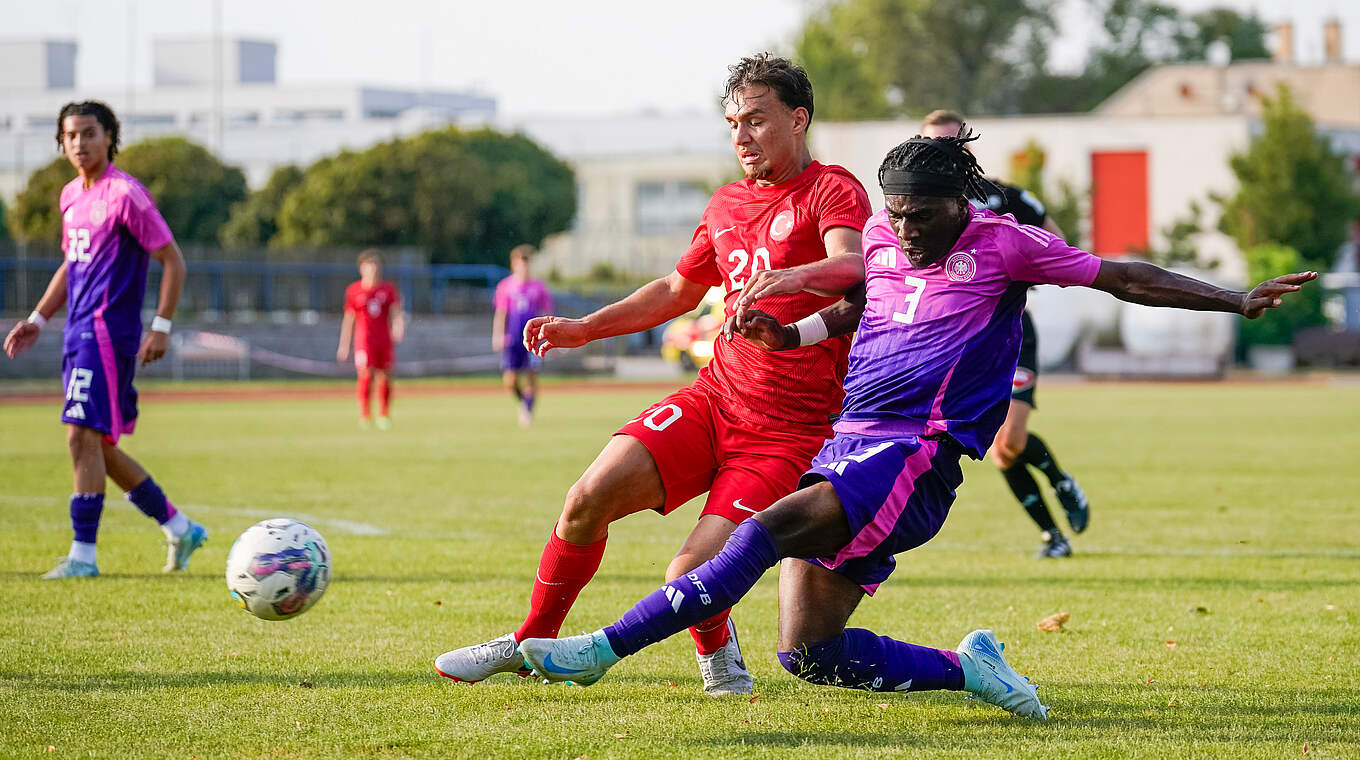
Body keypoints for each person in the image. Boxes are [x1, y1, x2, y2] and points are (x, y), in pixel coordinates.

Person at [517, 129, 1316, 719]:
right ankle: (972, 669)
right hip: (850, 439)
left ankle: (599, 651)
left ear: (956, 203)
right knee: (811, 655)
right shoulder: (878, 236)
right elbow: (861, 305)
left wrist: (1232, 297)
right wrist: (789, 334)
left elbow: (1123, 278)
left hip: (915, 456)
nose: (903, 228)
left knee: (756, 535)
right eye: (895, 213)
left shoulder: (1005, 244)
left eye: (920, 214)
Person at [434, 53, 873, 697]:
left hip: (787, 433)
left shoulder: (833, 188)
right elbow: (676, 289)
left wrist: (794, 278)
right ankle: (530, 644)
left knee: (689, 573)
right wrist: (585, 328)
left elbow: (856, 268)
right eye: (732, 124)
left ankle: (718, 651)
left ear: (798, 119)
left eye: (755, 120)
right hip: (714, 400)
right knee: (586, 499)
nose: (742, 137)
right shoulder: (725, 204)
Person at [3, 100, 208, 579]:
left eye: (90, 133)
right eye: (71, 135)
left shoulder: (126, 196)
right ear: (62, 142)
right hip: (77, 333)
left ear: (109, 137)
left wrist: (161, 325)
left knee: (80, 436)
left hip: (107, 335)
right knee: (99, 446)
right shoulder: (71, 195)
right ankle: (179, 528)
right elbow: (71, 266)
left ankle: (83, 557)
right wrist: (39, 316)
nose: (80, 143)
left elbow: (173, 260)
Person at [921, 109, 1089, 559]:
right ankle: (1053, 538)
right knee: (998, 451)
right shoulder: (913, 207)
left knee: (1010, 442)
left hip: (1009, 332)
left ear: (968, 148)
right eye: (933, 144)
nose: (943, 153)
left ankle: (1059, 479)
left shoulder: (1001, 197)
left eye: (952, 143)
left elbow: (1059, 244)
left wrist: (1017, 270)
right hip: (957, 341)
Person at [337, 250, 405, 430]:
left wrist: (398, 326)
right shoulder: (354, 291)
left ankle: (384, 414)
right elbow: (349, 319)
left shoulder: (387, 289)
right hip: (364, 341)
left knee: (385, 375)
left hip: (384, 340)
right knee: (366, 374)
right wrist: (344, 345)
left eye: (376, 265)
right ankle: (365, 414)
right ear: (362, 268)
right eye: (369, 265)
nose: (373, 269)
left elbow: (396, 312)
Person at [492, 245, 553, 427]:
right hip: (513, 338)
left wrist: (550, 336)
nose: (525, 267)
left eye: (527, 263)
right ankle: (523, 402)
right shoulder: (505, 286)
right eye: (521, 263)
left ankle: (527, 408)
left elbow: (547, 313)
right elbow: (501, 313)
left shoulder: (538, 287)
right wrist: (497, 335)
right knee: (510, 380)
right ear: (514, 264)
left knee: (531, 374)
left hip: (532, 339)